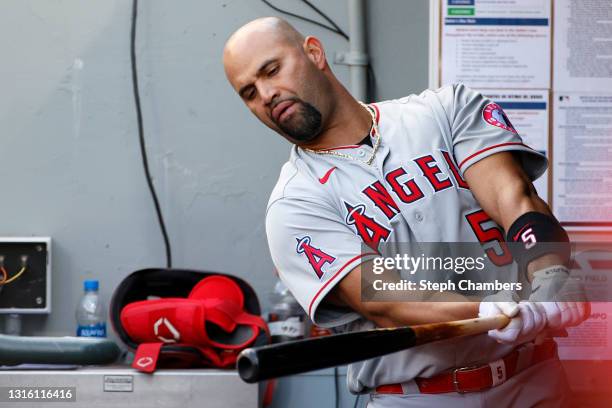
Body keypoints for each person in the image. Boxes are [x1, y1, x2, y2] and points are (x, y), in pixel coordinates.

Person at [223, 17, 589, 407]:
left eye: (271, 70)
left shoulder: (445, 111)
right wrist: (484, 305)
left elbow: (512, 196)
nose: (265, 94)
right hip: (419, 397)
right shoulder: (294, 204)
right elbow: (383, 297)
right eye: (249, 92)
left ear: (314, 53)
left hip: (533, 379)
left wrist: (549, 272)